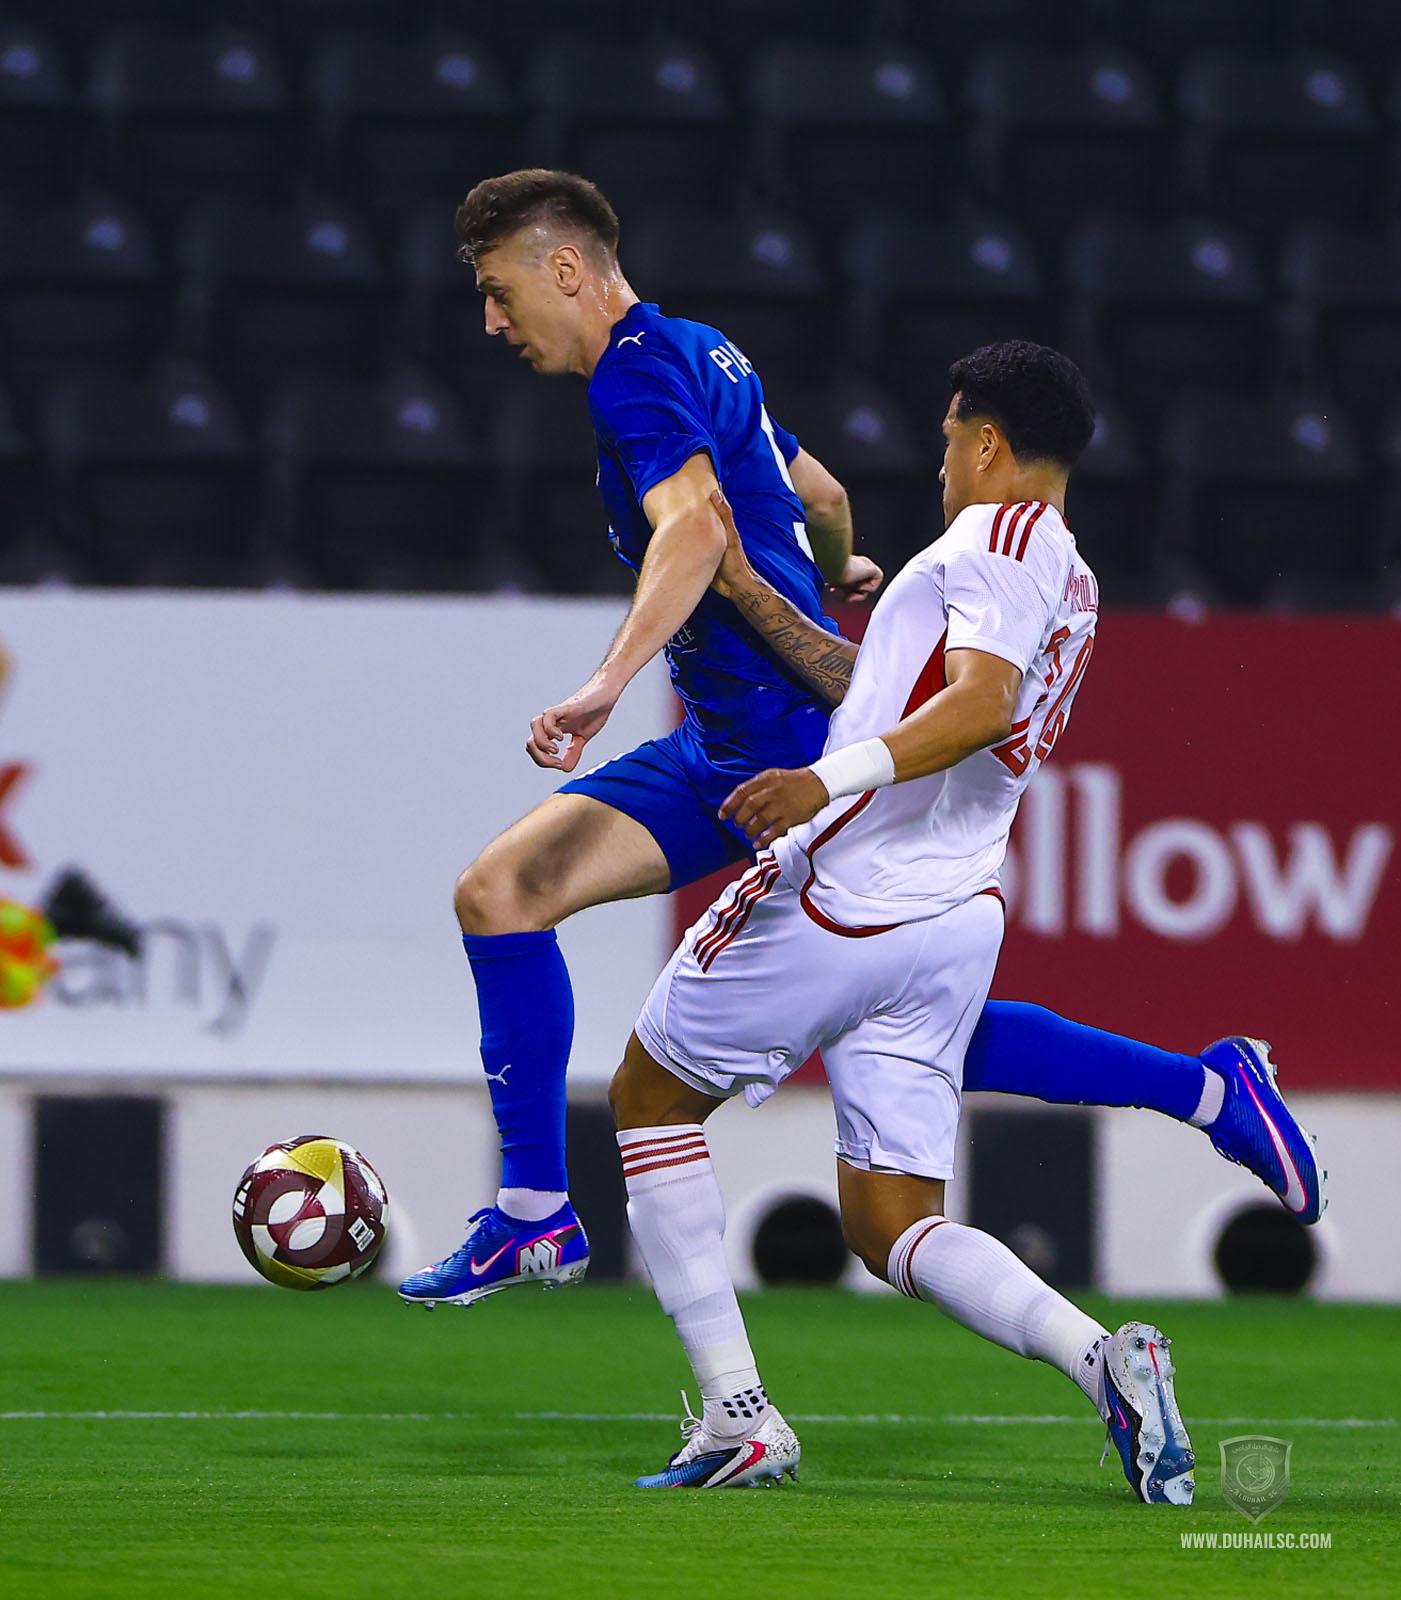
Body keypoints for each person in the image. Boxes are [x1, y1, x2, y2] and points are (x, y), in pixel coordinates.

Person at [398, 172, 1323, 1310]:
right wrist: (838, 570)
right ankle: (536, 1212)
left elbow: (694, 531)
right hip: (726, 745)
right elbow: (822, 492)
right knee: (508, 894)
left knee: (846, 1029)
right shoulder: (703, 351)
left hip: (782, 757)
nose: (494, 323)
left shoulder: (633, 377)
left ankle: (565, 1234)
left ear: (565, 268)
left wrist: (604, 684)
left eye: (499, 292)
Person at [609, 344, 1195, 1502]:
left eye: (946, 439)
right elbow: (899, 694)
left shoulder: (994, 540)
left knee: (647, 1100)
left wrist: (819, 785)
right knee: (890, 1221)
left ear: (986, 440)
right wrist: (748, 590)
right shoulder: (1066, 573)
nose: (939, 466)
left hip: (849, 892)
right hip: (952, 916)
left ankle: (737, 1415)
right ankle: (1105, 1363)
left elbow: (978, 708)